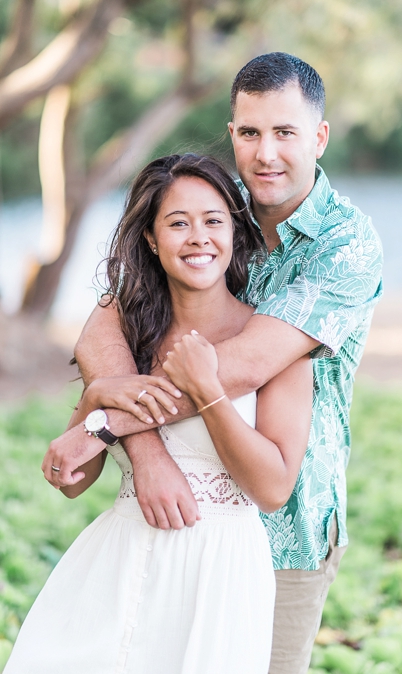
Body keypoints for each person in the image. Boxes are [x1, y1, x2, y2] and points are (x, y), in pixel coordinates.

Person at [41, 53, 383, 673]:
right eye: (250, 133)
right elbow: (102, 331)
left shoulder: (346, 245)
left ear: (320, 137)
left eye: (286, 132)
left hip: (290, 526)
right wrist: (144, 455)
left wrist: (103, 424)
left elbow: (243, 365)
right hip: (161, 527)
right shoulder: (219, 212)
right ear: (232, 134)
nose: (266, 153)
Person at [7, 153, 313, 672]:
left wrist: (209, 391)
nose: (198, 237)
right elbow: (75, 481)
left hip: (220, 573)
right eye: (177, 223)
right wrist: (97, 399)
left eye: (214, 221)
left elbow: (274, 488)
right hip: (117, 561)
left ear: (235, 233)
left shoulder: (271, 344)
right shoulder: (126, 335)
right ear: (151, 238)